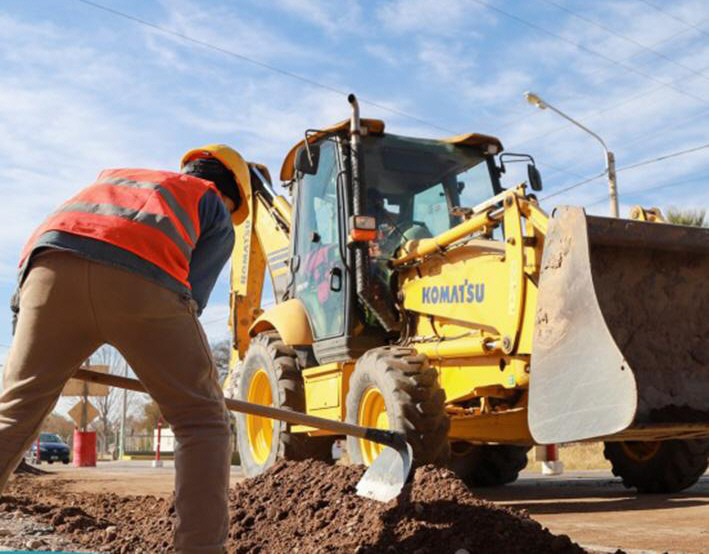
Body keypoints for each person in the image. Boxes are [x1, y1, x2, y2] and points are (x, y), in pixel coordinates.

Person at [0, 143, 249, 554]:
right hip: (144, 282)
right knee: (201, 421)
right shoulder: (210, 203)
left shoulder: (114, 180)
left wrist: (48, 350)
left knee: (14, 412)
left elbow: (31, 276)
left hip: (45, 274)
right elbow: (190, 300)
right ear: (228, 192)